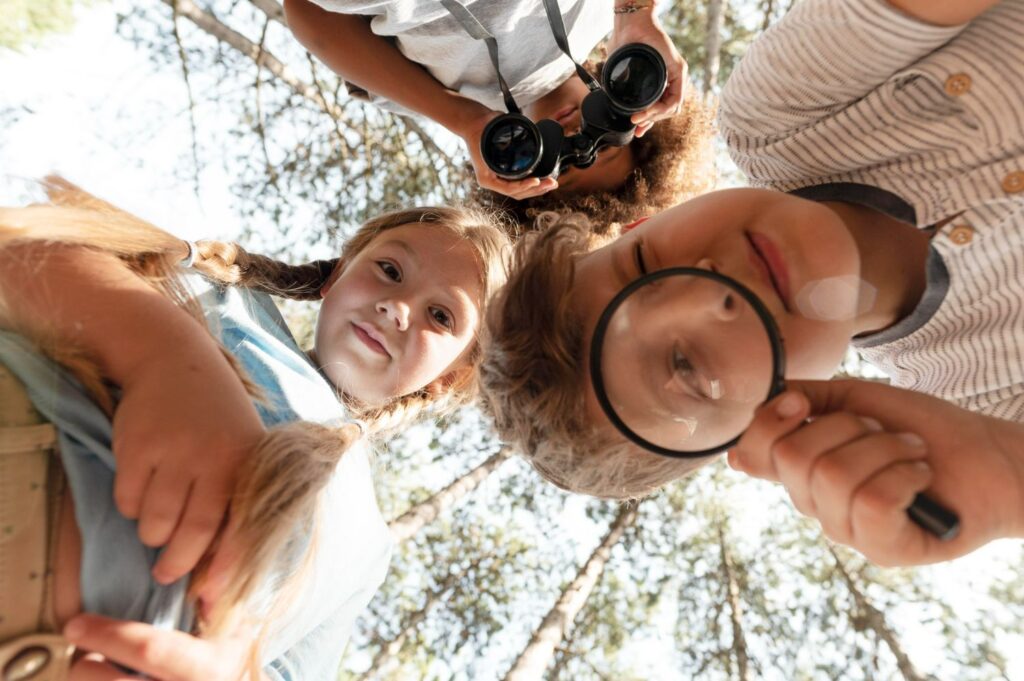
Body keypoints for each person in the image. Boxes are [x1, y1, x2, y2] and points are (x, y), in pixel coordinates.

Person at [479, 0, 1024, 567]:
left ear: (643, 223)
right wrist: (1010, 474)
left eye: (643, 264)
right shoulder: (985, 404)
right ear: (759, 422)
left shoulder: (779, 119)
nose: (709, 292)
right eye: (687, 367)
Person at [0, 177, 509, 679]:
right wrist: (162, 355)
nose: (396, 308)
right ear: (336, 275)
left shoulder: (370, 547)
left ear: (451, 378)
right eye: (390, 270)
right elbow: (22, 248)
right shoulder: (224, 297)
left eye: (440, 316)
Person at [283, 0, 715, 234]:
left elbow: (307, 13)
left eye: (562, 163)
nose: (573, 132)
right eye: (602, 147)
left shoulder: (441, 97)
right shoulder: (608, 14)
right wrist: (637, 13)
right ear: (632, 121)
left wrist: (464, 118)